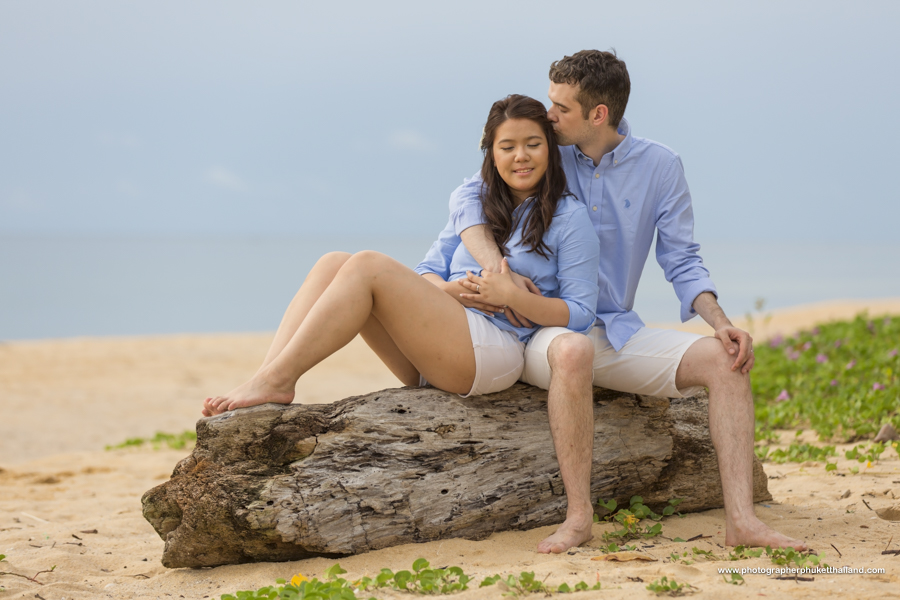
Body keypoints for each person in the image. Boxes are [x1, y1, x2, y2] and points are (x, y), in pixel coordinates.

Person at [434, 50, 808, 554]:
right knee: (571, 349)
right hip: (542, 326)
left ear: (599, 114)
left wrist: (720, 322)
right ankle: (578, 517)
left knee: (727, 362)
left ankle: (742, 521)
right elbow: (469, 195)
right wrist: (497, 271)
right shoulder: (546, 150)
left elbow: (682, 259)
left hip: (613, 327)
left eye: (560, 107)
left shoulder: (660, 166)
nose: (549, 116)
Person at [202, 95, 600, 419]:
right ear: (491, 154)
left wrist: (514, 297)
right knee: (334, 262)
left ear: (550, 150)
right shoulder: (474, 207)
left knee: (368, 265)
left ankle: (277, 379)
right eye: (508, 147)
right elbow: (426, 272)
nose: (521, 157)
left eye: (533, 145)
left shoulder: (569, 217)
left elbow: (581, 312)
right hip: (434, 347)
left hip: (495, 354)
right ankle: (268, 379)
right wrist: (453, 291)